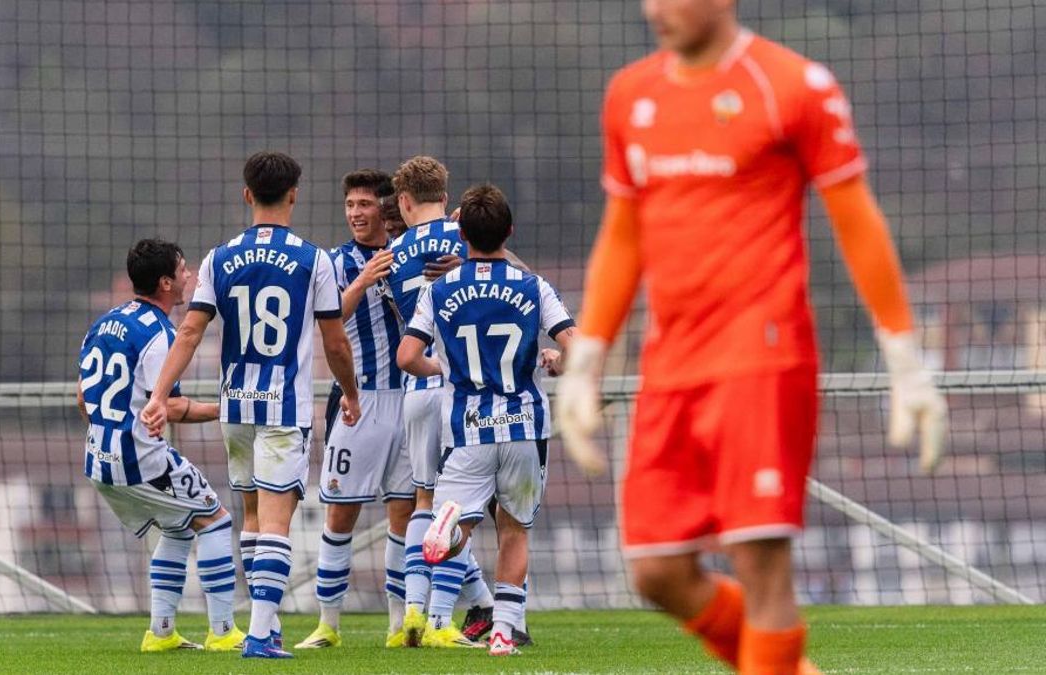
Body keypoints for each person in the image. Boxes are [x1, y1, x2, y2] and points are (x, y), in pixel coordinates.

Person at [555, 1, 948, 673]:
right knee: (655, 569)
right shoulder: (630, 94)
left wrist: (904, 358)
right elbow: (623, 234)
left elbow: (857, 221)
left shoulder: (793, 84)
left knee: (761, 559)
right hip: (669, 362)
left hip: (762, 354)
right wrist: (587, 355)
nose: (655, 8)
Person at [142, 151, 361, 660]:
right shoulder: (315, 259)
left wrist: (159, 396)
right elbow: (335, 343)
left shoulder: (219, 258)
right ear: (293, 195)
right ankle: (261, 635)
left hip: (235, 408)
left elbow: (191, 331)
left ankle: (267, 625)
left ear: (246, 195)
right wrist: (349, 393)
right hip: (284, 409)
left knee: (253, 517)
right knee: (278, 520)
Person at [398, 183, 573, 656]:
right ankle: (502, 632)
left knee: (460, 531)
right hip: (524, 426)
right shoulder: (533, 286)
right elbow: (574, 345)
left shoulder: (439, 289)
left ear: (462, 234)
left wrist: (443, 367)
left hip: (467, 427)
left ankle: (449, 524)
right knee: (515, 529)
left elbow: (407, 355)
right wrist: (557, 360)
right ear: (510, 231)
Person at [77, 238, 243, 653]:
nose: (189, 276)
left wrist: (107, 434)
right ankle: (224, 632)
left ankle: (162, 632)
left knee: (177, 526)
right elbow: (167, 405)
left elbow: (82, 398)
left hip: (99, 460)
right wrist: (228, 410)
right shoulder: (159, 334)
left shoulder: (103, 323)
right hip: (141, 460)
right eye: (184, 269)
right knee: (216, 521)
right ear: (167, 282)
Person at [295, 169, 416, 650]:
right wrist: (365, 280)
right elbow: (331, 318)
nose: (355, 213)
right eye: (350, 205)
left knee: (404, 514)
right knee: (339, 514)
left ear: (385, 209)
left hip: (406, 400)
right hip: (357, 401)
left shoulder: (407, 254)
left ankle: (397, 626)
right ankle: (328, 625)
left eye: (364, 204)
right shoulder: (335, 262)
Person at [386, 155, 497, 648]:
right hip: (459, 390)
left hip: (414, 388)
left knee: (423, 502)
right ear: (446, 200)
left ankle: (412, 611)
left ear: (403, 202)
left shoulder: (392, 253)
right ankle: (438, 622)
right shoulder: (463, 241)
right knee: (458, 509)